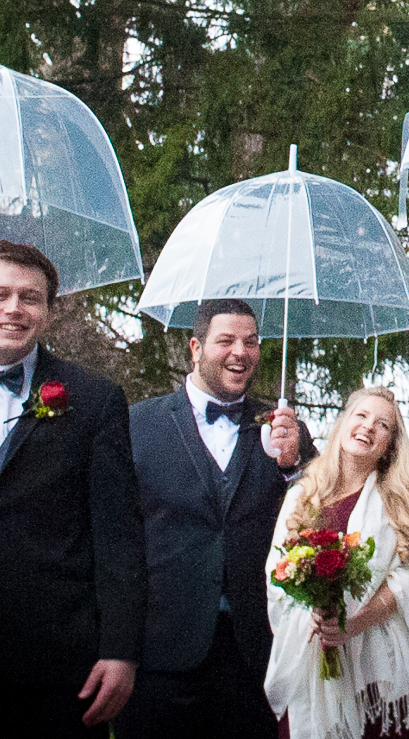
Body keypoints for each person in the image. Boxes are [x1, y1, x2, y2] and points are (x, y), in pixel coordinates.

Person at [0, 240, 147, 738]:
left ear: (48, 312)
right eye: (0, 294)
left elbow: (118, 534)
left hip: (58, 658)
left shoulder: (95, 399)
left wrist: (120, 650)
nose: (14, 309)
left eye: (30, 298)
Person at [117, 299, 315, 739]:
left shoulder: (286, 429)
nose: (239, 352)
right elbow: (118, 536)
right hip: (160, 650)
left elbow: (318, 520)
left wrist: (292, 466)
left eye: (250, 342)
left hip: (254, 650)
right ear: (195, 347)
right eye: (225, 340)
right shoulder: (138, 424)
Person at [265, 386, 409, 739]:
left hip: (375, 669)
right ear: (343, 424)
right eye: (362, 416)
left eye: (383, 425)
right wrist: (317, 617)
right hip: (310, 661)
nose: (368, 427)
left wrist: (352, 622)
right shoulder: (302, 496)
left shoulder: (398, 504)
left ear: (390, 446)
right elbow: (276, 575)